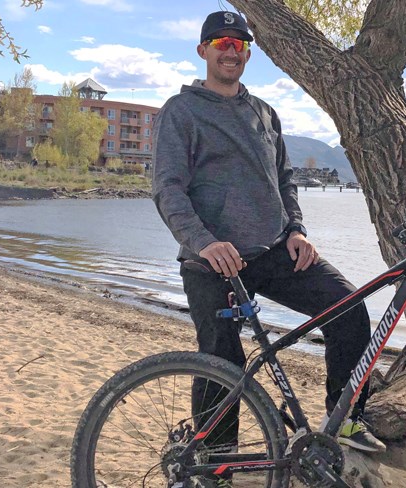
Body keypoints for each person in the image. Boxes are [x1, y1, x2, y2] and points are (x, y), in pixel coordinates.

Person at [151, 10, 386, 468]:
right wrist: (204, 241)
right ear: (203, 51)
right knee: (222, 360)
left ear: (248, 53)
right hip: (211, 260)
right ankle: (214, 464)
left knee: (349, 309)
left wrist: (297, 230)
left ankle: (347, 418)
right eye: (220, 43)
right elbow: (167, 188)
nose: (230, 50)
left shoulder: (264, 112)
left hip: (274, 250)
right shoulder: (180, 112)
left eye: (238, 43)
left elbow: (284, 181)